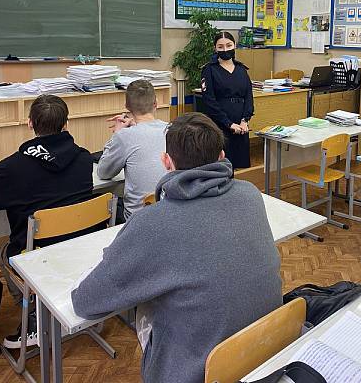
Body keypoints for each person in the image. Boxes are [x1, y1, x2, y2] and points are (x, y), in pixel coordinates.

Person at [72, 112, 282, 383]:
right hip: (266, 351)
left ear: (166, 162)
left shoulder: (152, 222)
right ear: (221, 156)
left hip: (195, 372)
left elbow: (86, 302)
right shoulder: (250, 194)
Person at [0, 94, 93, 348]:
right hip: (80, 252)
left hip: (39, 259)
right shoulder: (85, 159)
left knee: (3, 253)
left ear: (30, 123)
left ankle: (34, 317)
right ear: (66, 124)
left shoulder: (13, 168)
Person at [97, 79, 167, 219]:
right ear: (156, 103)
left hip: (137, 219)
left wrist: (117, 134)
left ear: (127, 106)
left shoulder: (124, 136)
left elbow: (103, 172)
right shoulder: (172, 129)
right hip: (169, 212)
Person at [201, 31, 254, 169]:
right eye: (220, 47)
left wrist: (245, 120)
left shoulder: (241, 69)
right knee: (223, 166)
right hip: (220, 124)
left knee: (241, 165)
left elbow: (248, 96)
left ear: (234, 45)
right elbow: (209, 101)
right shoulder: (209, 70)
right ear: (215, 48)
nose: (225, 49)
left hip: (241, 126)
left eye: (229, 45)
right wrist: (229, 124)